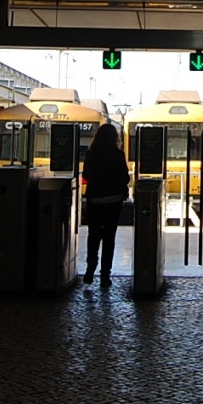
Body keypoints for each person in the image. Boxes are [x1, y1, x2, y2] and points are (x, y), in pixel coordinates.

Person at [82, 123, 130, 288]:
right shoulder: (118, 155)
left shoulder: (90, 154)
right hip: (114, 200)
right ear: (115, 138)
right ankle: (105, 275)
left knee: (93, 235)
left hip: (94, 199)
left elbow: (86, 175)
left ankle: (90, 270)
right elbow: (125, 178)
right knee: (109, 238)